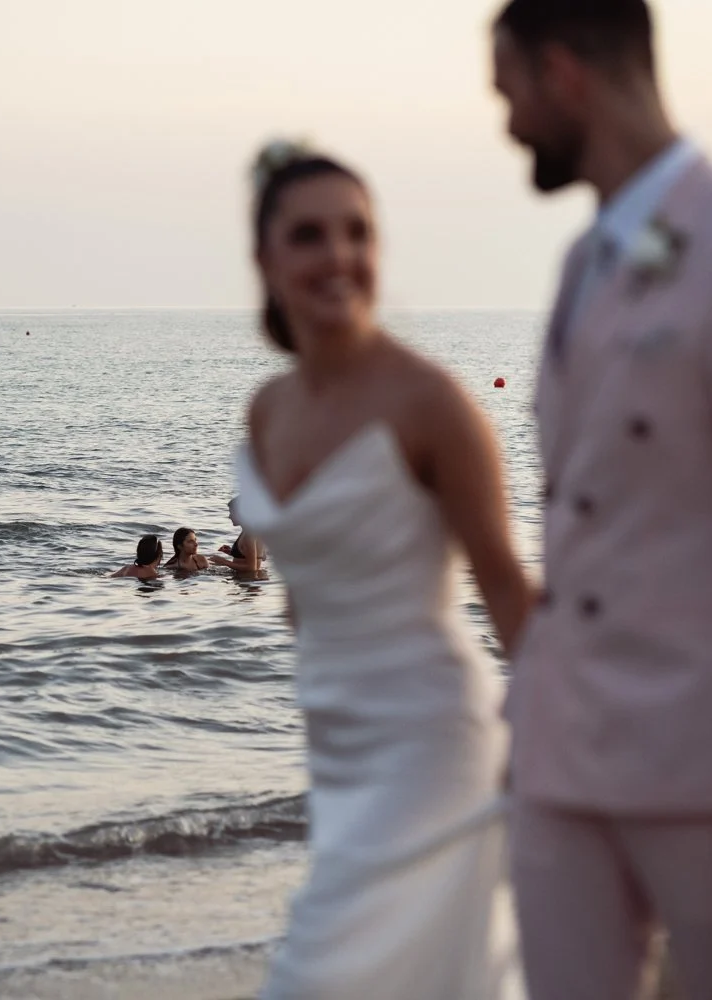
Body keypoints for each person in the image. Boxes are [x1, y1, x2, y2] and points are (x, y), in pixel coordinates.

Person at [489, 2, 712, 997]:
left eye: (507, 89)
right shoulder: (582, 263)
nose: (506, 123)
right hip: (564, 762)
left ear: (564, 73)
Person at [235, 140, 532, 998]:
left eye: (358, 233)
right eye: (310, 234)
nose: (339, 256)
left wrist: (593, 758)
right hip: (337, 751)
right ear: (265, 257)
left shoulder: (430, 403)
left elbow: (508, 590)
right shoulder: (269, 410)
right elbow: (304, 601)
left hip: (434, 746)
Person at [209, 497, 265, 573]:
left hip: (247, 581)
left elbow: (252, 569)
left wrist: (224, 562)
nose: (229, 516)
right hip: (249, 581)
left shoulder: (249, 535)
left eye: (232, 513)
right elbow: (262, 557)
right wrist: (234, 552)